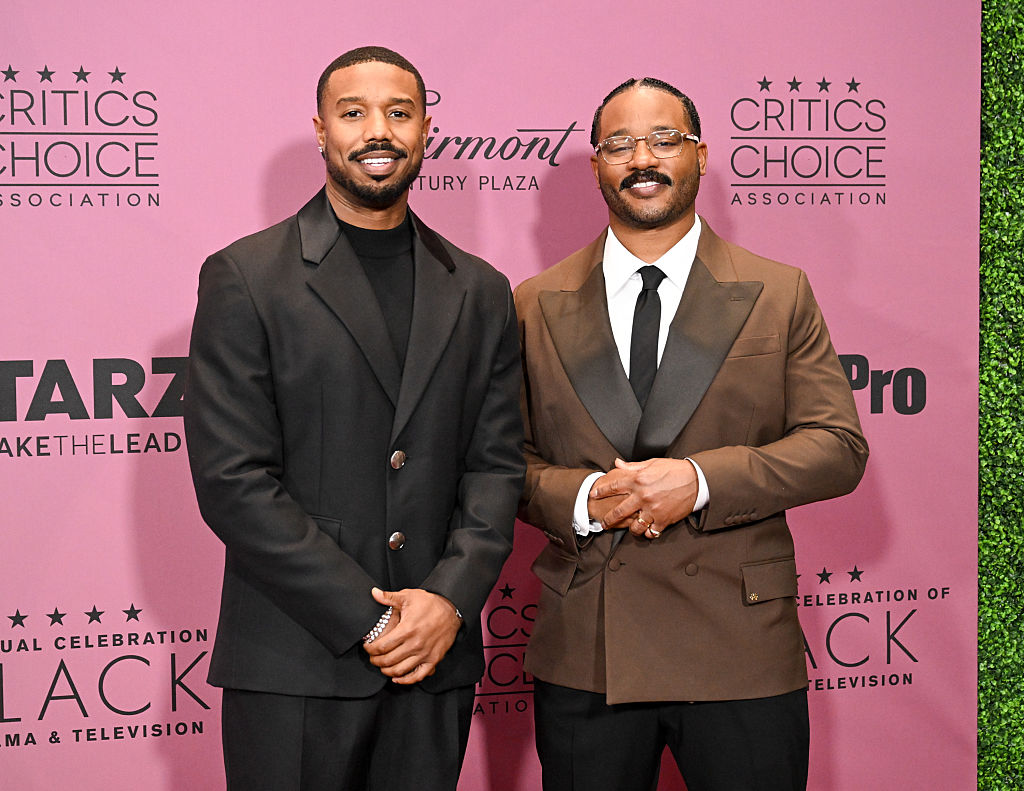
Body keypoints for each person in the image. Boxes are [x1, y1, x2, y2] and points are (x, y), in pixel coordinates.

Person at [183, 46, 524, 791]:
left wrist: (448, 601)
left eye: (400, 113)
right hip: (295, 657)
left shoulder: (482, 290)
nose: (379, 131)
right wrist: (371, 620)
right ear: (320, 130)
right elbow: (232, 480)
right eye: (354, 112)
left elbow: (497, 465)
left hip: (434, 660)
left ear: (426, 129)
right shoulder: (245, 277)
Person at [515, 76, 868, 791]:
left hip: (739, 646)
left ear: (701, 156)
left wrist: (701, 481)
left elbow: (838, 445)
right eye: (619, 143)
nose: (642, 157)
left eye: (664, 138)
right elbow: (499, 463)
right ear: (596, 165)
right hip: (589, 650)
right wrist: (584, 496)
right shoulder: (531, 303)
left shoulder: (778, 290)